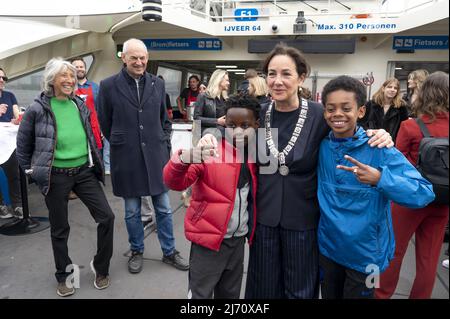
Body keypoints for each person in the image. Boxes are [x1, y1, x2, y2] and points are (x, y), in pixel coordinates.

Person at [198, 44, 393, 299]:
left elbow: (346, 128)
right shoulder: (258, 113)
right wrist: (208, 136)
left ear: (301, 77)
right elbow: (228, 133)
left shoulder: (317, 115)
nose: (277, 81)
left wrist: (377, 133)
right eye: (271, 73)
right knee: (263, 289)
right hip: (264, 218)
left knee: (300, 290)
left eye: (286, 74)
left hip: (304, 220)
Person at [317, 75, 434, 299]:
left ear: (360, 112)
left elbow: (423, 192)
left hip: (367, 258)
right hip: (328, 251)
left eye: (346, 108)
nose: (337, 114)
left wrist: (381, 178)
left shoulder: (379, 148)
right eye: (331, 108)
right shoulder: (322, 145)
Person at [16, 58, 115, 297]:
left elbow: (90, 135)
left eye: (71, 76)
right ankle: (64, 275)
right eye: (64, 76)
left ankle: (100, 267)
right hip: (56, 176)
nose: (70, 80)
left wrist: (96, 162)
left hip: (83, 172)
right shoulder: (37, 109)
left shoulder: (78, 104)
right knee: (60, 228)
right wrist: (34, 173)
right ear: (52, 80)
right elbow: (23, 146)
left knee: (107, 217)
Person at [97, 38, 188, 274]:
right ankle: (136, 250)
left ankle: (169, 251)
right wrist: (121, 140)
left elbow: (164, 119)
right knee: (131, 211)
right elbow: (105, 121)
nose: (139, 62)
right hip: (126, 156)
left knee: (164, 208)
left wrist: (163, 139)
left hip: (156, 155)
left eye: (143, 58)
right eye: (134, 57)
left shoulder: (158, 84)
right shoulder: (108, 86)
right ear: (124, 58)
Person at [163, 95, 259, 298]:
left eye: (246, 125)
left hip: (238, 242)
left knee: (230, 294)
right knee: (200, 294)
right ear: (224, 123)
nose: (238, 131)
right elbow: (174, 182)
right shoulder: (210, 151)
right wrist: (184, 157)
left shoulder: (256, 156)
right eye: (232, 125)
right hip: (207, 242)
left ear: (257, 125)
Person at [376, 71, 449, 299]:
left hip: (408, 201)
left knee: (394, 252)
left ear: (424, 94)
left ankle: (381, 295)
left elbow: (396, 165)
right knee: (429, 257)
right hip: (443, 201)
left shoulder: (411, 127)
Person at [0, 67, 23, 219]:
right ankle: (1, 205)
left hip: (8, 142)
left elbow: (16, 115)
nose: (2, 80)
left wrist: (17, 119)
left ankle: (18, 205)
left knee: (14, 173)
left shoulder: (10, 95)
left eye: (3, 78)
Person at [358, 77, 408, 144]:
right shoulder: (370, 104)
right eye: (389, 87)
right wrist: (369, 131)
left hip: (390, 144)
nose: (392, 90)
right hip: (371, 141)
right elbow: (360, 123)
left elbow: (403, 129)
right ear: (383, 88)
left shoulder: (401, 107)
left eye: (395, 88)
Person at [193, 69, 229, 136]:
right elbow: (196, 118)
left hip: (223, 135)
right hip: (208, 136)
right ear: (219, 80)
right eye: (227, 80)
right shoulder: (203, 96)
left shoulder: (226, 99)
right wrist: (217, 121)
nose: (228, 83)